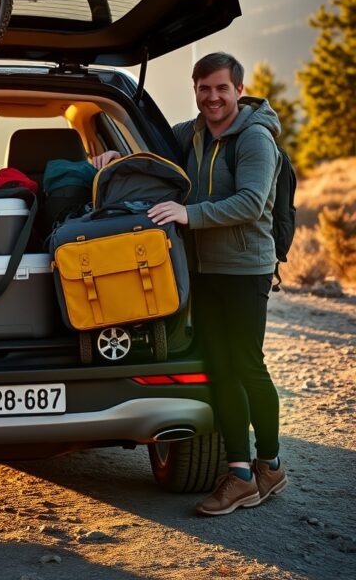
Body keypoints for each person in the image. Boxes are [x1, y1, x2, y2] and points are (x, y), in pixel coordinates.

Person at [94, 52, 288, 516]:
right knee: (219, 367)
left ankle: (270, 464)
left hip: (244, 268)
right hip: (203, 269)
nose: (212, 97)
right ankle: (240, 473)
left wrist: (189, 214)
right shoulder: (193, 133)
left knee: (246, 365)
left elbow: (251, 202)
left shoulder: (255, 138)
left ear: (239, 90)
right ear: (196, 90)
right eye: (204, 89)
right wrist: (120, 158)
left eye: (221, 88)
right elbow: (153, 157)